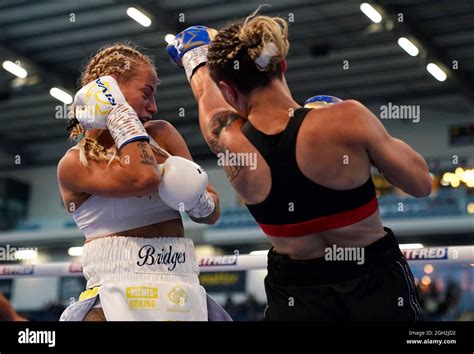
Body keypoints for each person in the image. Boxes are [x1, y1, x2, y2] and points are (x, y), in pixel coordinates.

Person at [165, 12, 431, 320]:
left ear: (228, 90)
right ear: (282, 66)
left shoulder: (226, 138)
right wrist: (368, 149)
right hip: (373, 281)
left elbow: (204, 93)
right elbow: (421, 184)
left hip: (296, 294)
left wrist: (195, 55)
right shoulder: (347, 119)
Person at [57, 44, 230, 321]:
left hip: (181, 284)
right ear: (110, 88)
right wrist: (118, 113)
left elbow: (212, 214)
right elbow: (144, 177)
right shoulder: (75, 163)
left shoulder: (161, 134)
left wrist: (196, 198)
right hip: (115, 291)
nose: (153, 106)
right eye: (146, 93)